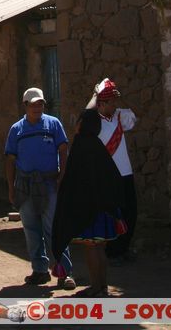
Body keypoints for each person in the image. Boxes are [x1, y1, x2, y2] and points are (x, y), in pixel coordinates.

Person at [4, 87, 75, 290]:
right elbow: (10, 159)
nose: (37, 108)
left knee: (54, 228)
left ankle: (64, 271)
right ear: (25, 106)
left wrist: (62, 176)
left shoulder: (53, 124)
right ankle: (40, 270)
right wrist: (11, 187)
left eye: (40, 104)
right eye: (33, 104)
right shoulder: (16, 129)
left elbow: (63, 150)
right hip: (25, 186)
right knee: (31, 229)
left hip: (49, 184)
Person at [52, 108, 127, 297]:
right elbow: (112, 177)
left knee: (91, 247)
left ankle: (95, 287)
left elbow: (74, 178)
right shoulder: (98, 145)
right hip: (104, 208)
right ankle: (103, 286)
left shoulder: (80, 145)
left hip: (88, 210)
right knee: (100, 247)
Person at [87, 78, 138, 264]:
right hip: (106, 176)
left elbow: (134, 116)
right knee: (111, 215)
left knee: (130, 213)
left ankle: (123, 248)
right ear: (102, 103)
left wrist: (115, 94)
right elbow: (85, 114)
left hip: (125, 173)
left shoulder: (119, 116)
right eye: (111, 101)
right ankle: (112, 251)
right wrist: (96, 93)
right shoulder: (93, 122)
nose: (114, 104)